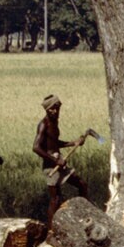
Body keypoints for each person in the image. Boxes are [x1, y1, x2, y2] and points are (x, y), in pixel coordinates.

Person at [33, 93, 89, 228]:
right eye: (52, 109)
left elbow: (54, 142)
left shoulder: (54, 122)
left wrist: (73, 143)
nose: (55, 111)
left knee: (81, 184)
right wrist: (55, 160)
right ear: (47, 110)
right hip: (51, 166)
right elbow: (36, 147)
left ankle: (85, 216)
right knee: (55, 199)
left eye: (57, 108)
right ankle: (51, 231)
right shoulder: (43, 124)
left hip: (59, 161)